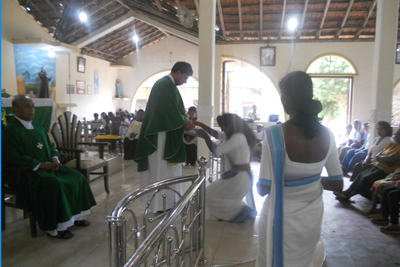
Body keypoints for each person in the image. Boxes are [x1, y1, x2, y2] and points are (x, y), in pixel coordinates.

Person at [257, 71, 343, 267]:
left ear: (286, 99)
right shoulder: (328, 135)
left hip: (279, 222)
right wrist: (309, 179)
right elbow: (338, 183)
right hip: (310, 221)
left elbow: (263, 188)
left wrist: (289, 179)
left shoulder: (274, 134)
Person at [2, 95, 97, 239]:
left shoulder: (38, 126)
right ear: (15, 109)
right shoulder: (9, 131)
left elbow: (50, 146)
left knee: (77, 177)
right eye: (27, 106)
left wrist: (54, 158)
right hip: (27, 173)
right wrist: (40, 165)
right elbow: (11, 158)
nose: (31, 109)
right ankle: (55, 229)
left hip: (48, 167)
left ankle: (76, 217)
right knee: (54, 185)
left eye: (32, 105)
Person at [133, 62, 194, 213]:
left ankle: (169, 202)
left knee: (167, 170)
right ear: (178, 72)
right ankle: (159, 205)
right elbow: (169, 111)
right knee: (160, 170)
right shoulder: (163, 85)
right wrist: (184, 122)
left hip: (166, 132)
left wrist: (184, 120)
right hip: (160, 135)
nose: (185, 81)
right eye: (185, 77)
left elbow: (175, 110)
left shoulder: (169, 85)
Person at [195, 113, 257, 222]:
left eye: (223, 127)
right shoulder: (236, 135)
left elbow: (216, 151)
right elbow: (216, 135)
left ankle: (242, 212)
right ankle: (233, 213)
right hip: (237, 176)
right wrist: (201, 125)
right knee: (209, 195)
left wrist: (204, 135)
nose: (222, 129)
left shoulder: (238, 137)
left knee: (210, 197)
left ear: (230, 125)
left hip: (240, 178)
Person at [334, 129, 400, 202]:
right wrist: (383, 159)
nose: (396, 135)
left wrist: (382, 158)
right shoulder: (391, 145)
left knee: (365, 179)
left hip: (386, 170)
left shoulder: (396, 146)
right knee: (360, 175)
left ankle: (348, 196)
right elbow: (379, 155)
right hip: (377, 165)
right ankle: (346, 192)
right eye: (396, 133)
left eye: (398, 134)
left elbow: (390, 159)